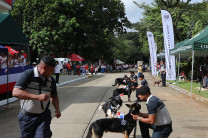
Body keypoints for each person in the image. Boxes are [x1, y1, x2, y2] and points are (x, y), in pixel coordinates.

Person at [12, 55, 61, 138]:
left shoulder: (51, 80)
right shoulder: (28, 74)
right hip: (27, 117)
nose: (53, 72)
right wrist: (37, 97)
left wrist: (57, 109)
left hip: (43, 116)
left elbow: (54, 96)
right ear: (45, 67)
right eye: (52, 69)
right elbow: (16, 92)